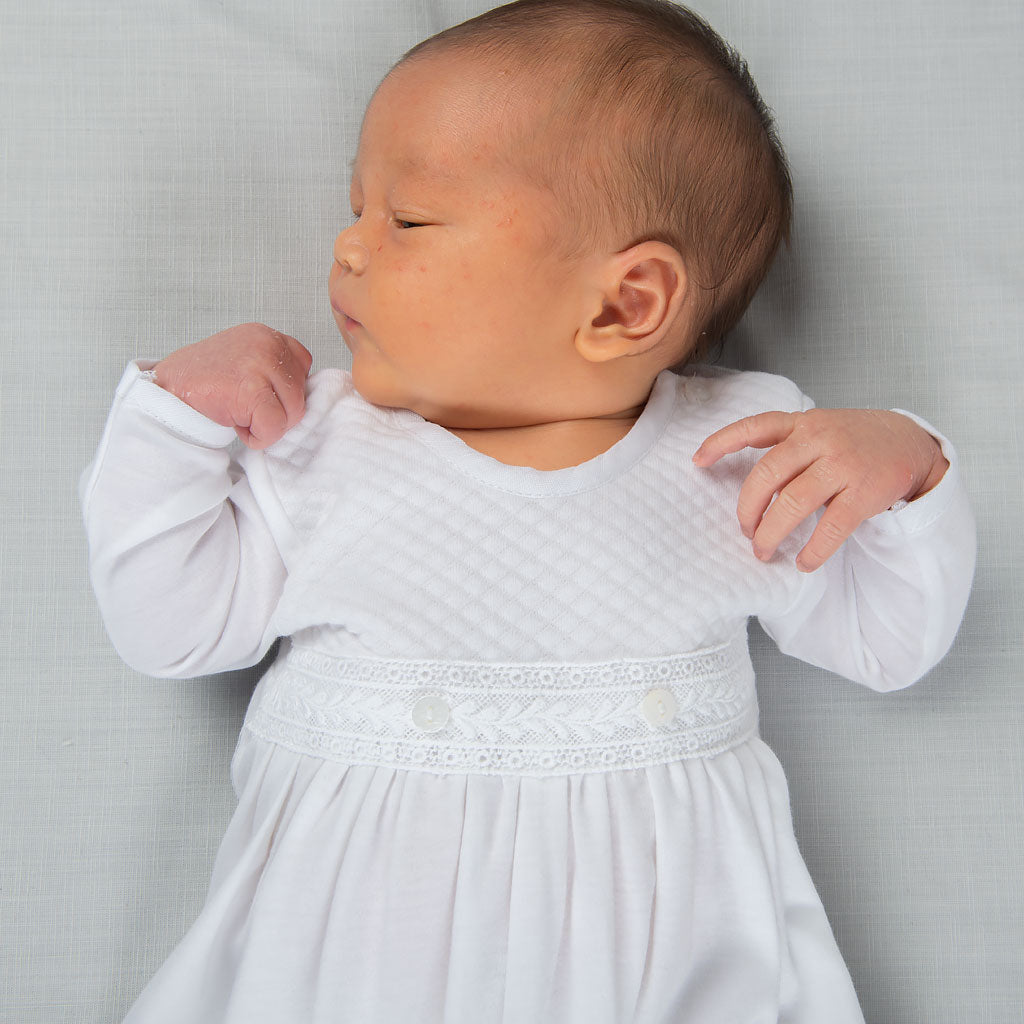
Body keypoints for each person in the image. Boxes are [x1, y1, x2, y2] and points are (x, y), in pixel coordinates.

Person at [80, 1, 976, 1021]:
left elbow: (889, 642)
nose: (349, 245)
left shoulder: (744, 450)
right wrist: (172, 423)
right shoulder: (310, 436)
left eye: (406, 218)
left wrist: (907, 469)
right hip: (351, 958)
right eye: (356, 205)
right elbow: (169, 630)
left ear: (623, 304)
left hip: (664, 960)